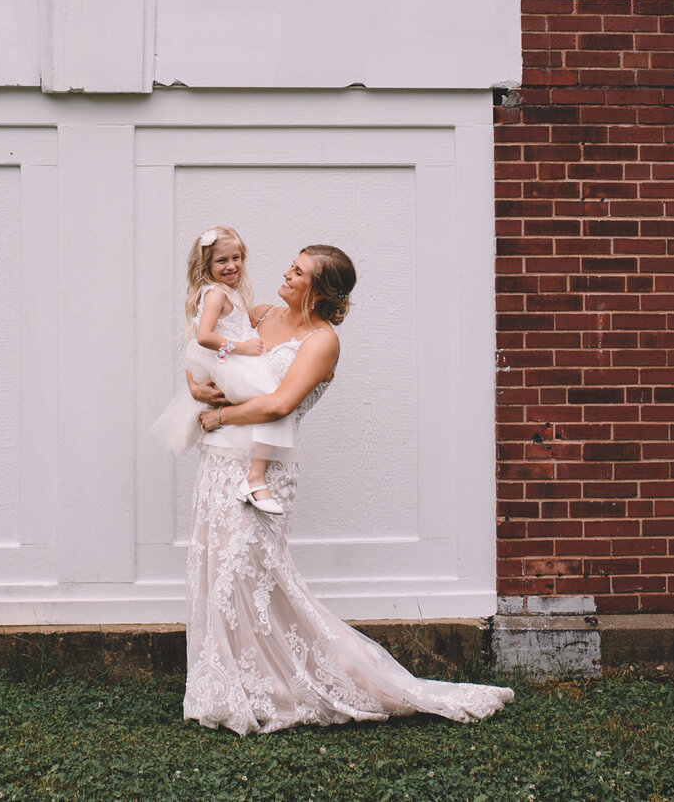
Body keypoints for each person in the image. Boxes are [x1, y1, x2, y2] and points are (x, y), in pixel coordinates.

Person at [184, 244, 515, 735]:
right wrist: (196, 387)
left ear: (318, 290)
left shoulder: (322, 341)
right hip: (219, 463)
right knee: (219, 574)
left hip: (263, 469)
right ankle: (233, 685)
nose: (285, 273)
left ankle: (311, 682)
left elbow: (279, 406)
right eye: (290, 266)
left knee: (251, 574)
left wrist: (215, 416)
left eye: (297, 272)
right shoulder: (260, 314)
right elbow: (210, 351)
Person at [149, 226, 296, 512]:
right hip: (230, 360)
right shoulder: (216, 293)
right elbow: (202, 337)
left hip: (232, 359)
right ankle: (255, 479)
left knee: (270, 404)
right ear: (207, 265)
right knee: (272, 398)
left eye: (236, 258)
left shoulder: (230, 292)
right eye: (222, 261)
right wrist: (240, 348)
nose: (231, 266)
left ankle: (254, 474)